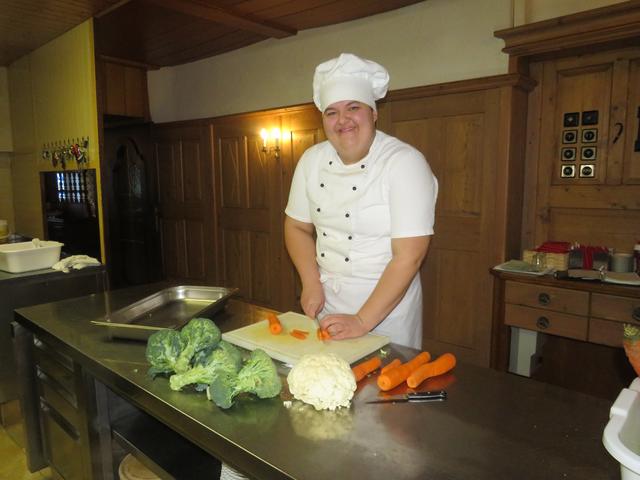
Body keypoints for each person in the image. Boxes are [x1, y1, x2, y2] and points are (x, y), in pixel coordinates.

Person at [284, 53, 438, 349]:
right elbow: (296, 227)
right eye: (331, 112)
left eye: (353, 107)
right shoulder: (311, 161)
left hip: (385, 311)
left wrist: (362, 321)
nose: (343, 120)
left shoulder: (404, 162)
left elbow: (410, 255)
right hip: (328, 304)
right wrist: (311, 281)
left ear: (374, 113)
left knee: (380, 390)